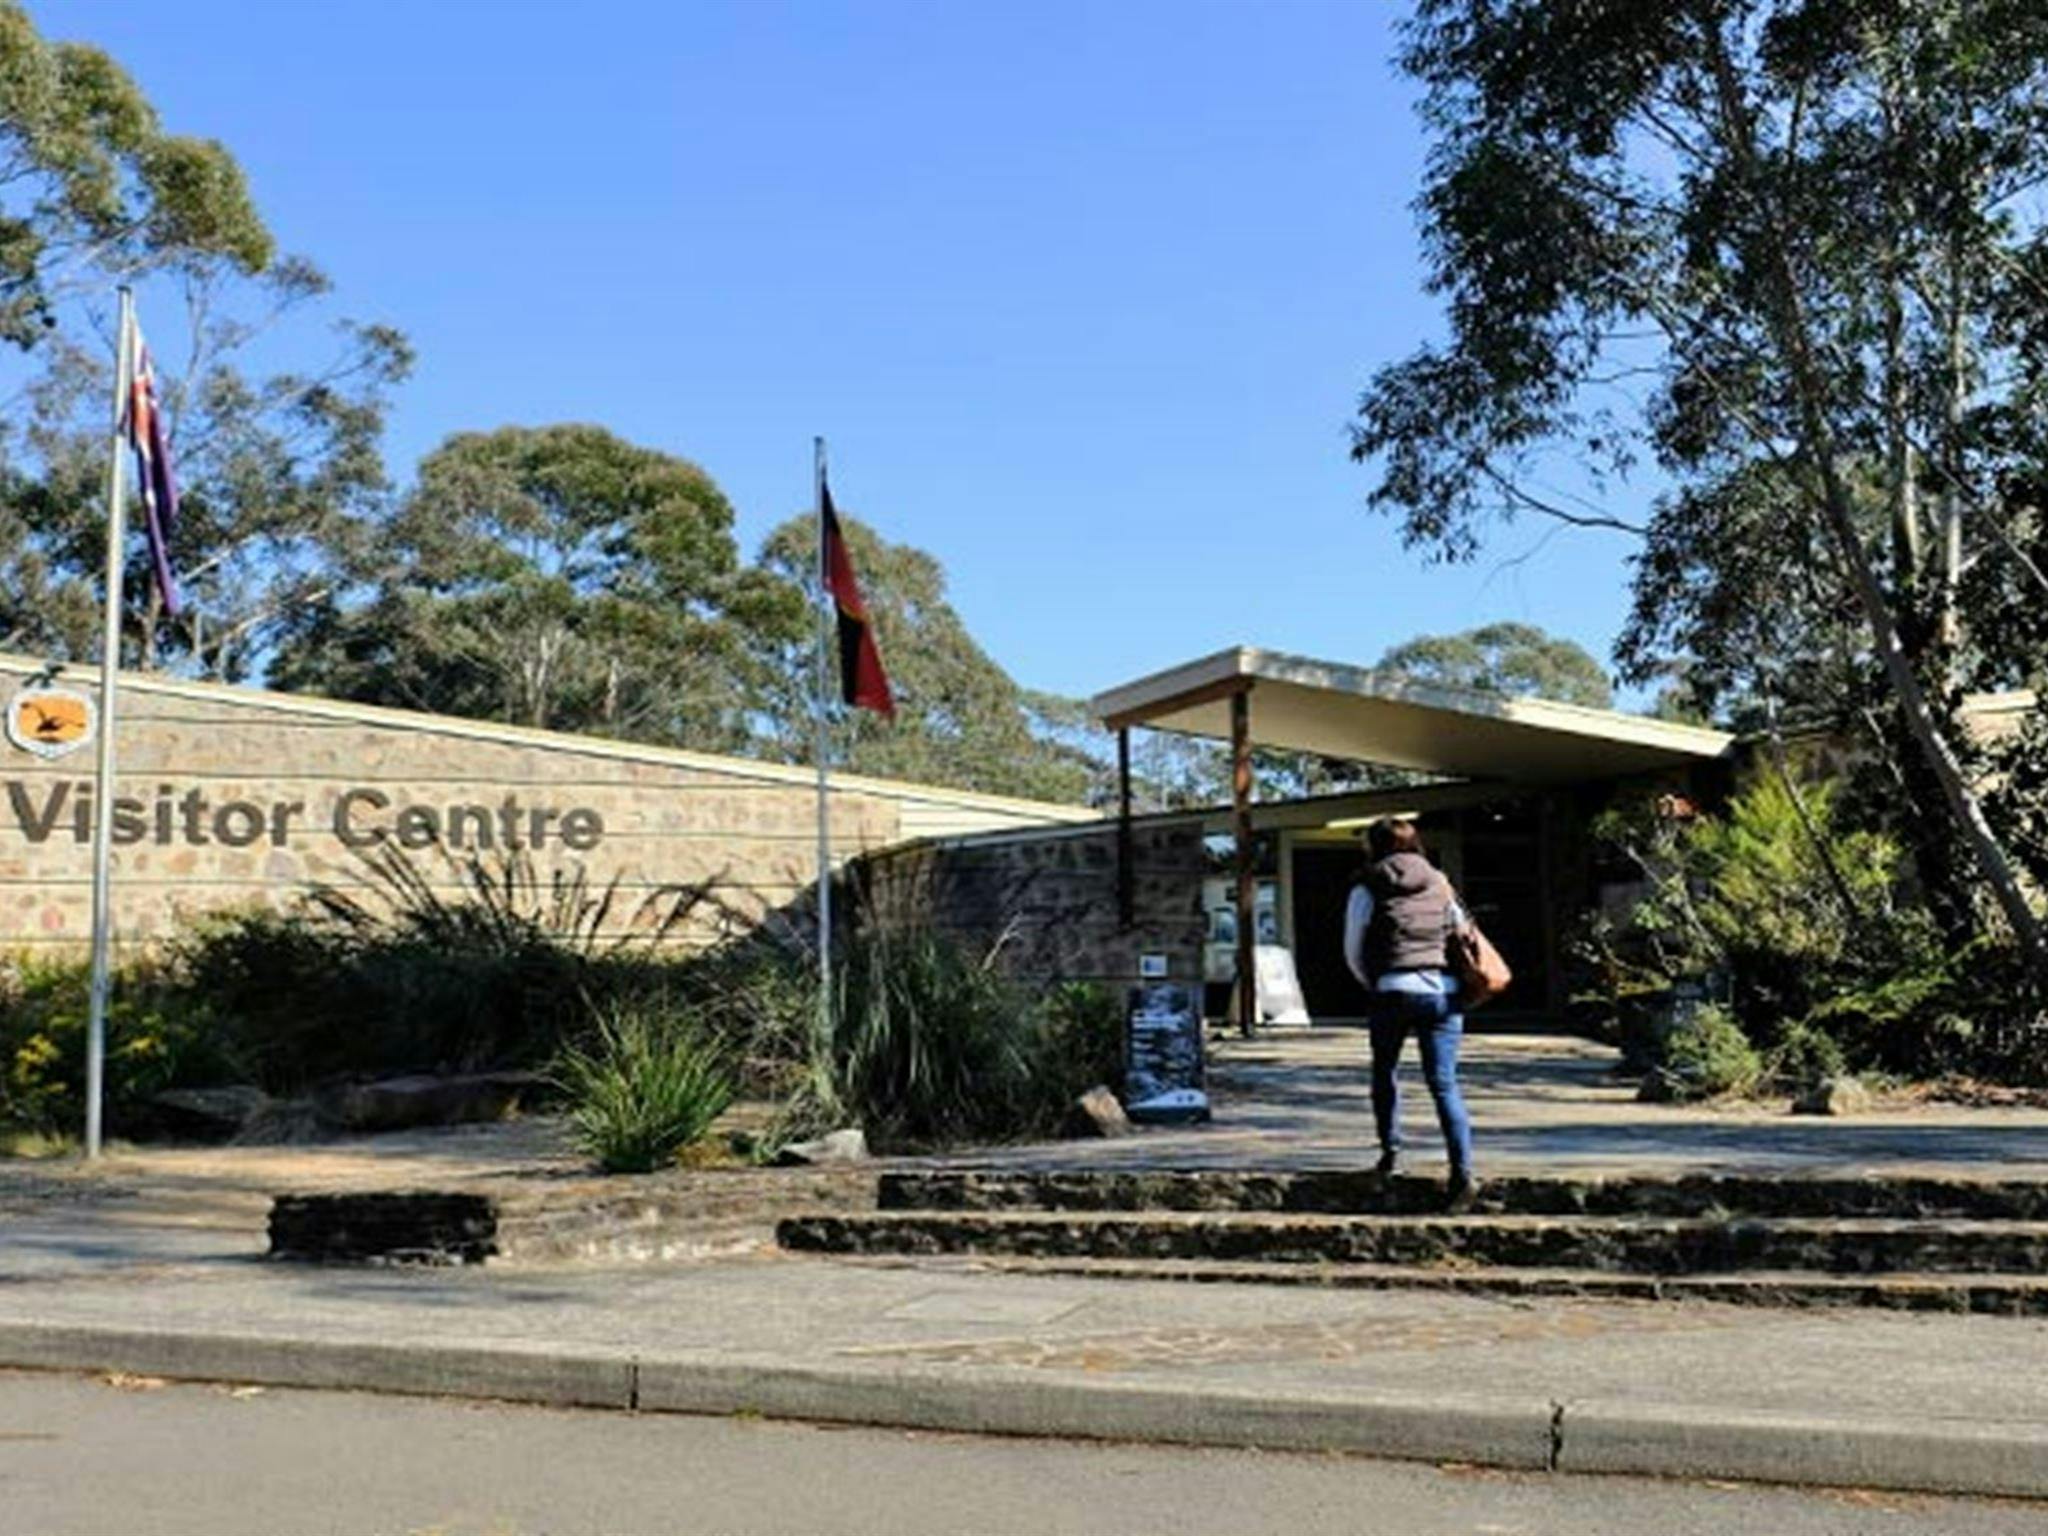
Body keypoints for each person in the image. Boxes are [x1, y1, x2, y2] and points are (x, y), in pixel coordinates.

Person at [1342, 818, 1479, 1212]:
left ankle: (1392, 1151)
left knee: (1385, 1071)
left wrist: (1374, 981)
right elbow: (1462, 931)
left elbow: (1352, 946)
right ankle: (1463, 1171)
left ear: (1374, 846)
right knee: (1444, 1084)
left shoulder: (1366, 886)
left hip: (1392, 989)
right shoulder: (1439, 881)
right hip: (1443, 992)